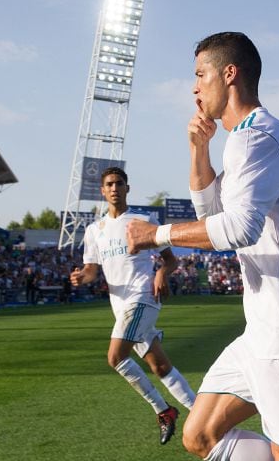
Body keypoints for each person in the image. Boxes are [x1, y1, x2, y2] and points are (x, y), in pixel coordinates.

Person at [126, 32, 279, 460]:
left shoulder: (257, 138)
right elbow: (212, 214)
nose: (193, 86)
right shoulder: (245, 138)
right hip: (260, 333)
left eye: (199, 74)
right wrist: (198, 150)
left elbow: (239, 229)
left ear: (229, 74)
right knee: (200, 435)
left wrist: (156, 234)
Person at [70, 167, 196, 446]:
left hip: (142, 296)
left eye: (119, 184)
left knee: (115, 358)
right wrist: (82, 277)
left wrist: (162, 273)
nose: (114, 188)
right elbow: (92, 270)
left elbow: (171, 260)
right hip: (120, 305)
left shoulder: (143, 220)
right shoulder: (94, 231)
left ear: (127, 188)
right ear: (102, 191)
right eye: (109, 185)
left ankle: (164, 411)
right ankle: (203, 414)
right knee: (160, 366)